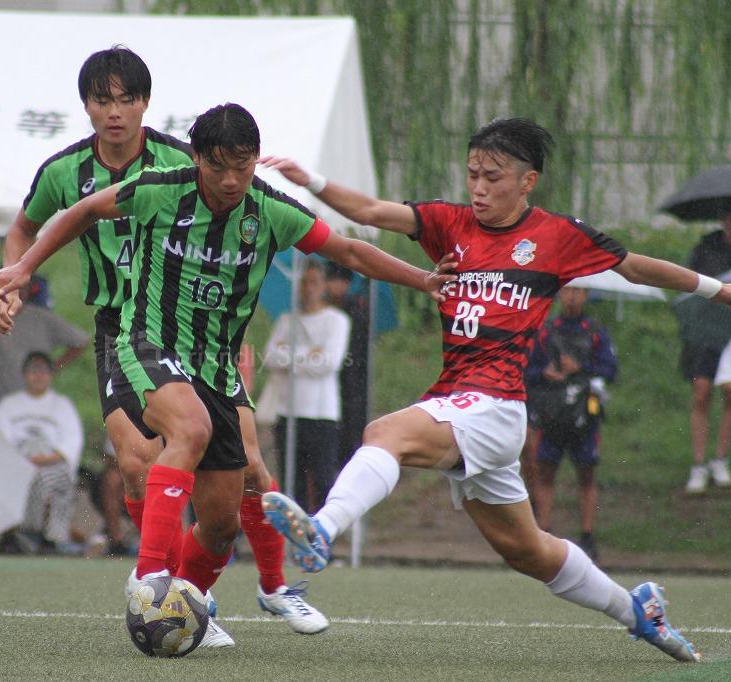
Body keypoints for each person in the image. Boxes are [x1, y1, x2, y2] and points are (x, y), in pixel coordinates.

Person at [0, 102, 453, 642]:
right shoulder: (160, 189)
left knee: (223, 522)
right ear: (197, 158)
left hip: (216, 365)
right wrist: (25, 266)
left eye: (242, 167)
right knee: (183, 433)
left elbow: (348, 251)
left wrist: (424, 280)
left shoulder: (270, 210)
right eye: (219, 167)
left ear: (255, 161)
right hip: (147, 343)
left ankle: (189, 604)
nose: (230, 181)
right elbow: (83, 211)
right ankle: (150, 577)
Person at [258, 117, 725, 663]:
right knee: (527, 552)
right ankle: (638, 611)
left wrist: (720, 291)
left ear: (528, 182)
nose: (478, 188)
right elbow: (369, 212)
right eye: (473, 175)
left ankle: (321, 529)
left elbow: (638, 269)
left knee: (385, 433)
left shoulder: (558, 235)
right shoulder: (450, 223)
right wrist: (311, 179)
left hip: (497, 405)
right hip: (459, 402)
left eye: (493, 178)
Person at [0, 48, 334, 642]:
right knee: (139, 463)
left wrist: (236, 346)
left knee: (250, 462)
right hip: (123, 329)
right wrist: (15, 283)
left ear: (146, 102)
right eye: (102, 100)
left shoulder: (184, 161)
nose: (115, 112)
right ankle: (164, 596)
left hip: (207, 334)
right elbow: (24, 228)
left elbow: (235, 253)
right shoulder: (64, 172)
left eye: (127, 99)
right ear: (86, 105)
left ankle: (267, 587)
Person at [525, 285, 617, 561]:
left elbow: (610, 370)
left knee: (586, 473)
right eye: (567, 290)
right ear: (559, 294)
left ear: (586, 294)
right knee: (545, 471)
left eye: (578, 291)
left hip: (584, 413)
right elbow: (526, 369)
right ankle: (543, 534)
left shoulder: (596, 332)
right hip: (551, 413)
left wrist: (581, 369)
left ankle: (587, 535)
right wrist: (545, 372)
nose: (572, 296)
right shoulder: (545, 330)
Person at [263, 258, 350, 512]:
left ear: (323, 285)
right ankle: (295, 534)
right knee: (292, 484)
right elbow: (269, 357)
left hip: (322, 414)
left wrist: (289, 355)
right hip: (288, 413)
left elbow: (329, 362)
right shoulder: (286, 320)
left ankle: (323, 532)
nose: (308, 288)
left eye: (313, 282)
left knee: (323, 481)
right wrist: (308, 353)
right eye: (304, 282)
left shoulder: (337, 320)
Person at [0, 351, 84, 554]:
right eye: (33, 370)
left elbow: (71, 444)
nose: (38, 376)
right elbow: (0, 441)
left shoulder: (62, 406)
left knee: (41, 479)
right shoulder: (9, 405)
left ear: (51, 374)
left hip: (53, 465)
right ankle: (21, 535)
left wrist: (43, 459)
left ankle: (45, 536)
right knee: (25, 477)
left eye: (43, 370)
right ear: (24, 374)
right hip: (17, 463)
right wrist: (25, 460)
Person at [0, 282, 88, 426]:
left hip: (36, 401)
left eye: (20, 288)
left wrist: (53, 368)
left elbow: (81, 341)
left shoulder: (43, 318)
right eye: (9, 288)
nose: (16, 293)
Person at [679, 213, 731, 493]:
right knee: (701, 393)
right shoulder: (705, 248)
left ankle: (719, 459)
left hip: (729, 334)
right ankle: (698, 464)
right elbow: (688, 285)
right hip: (704, 334)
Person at [323, 261, 371, 467]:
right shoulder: (321, 307)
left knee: (350, 435)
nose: (336, 286)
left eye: (340, 281)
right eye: (332, 280)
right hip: (328, 382)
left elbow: (358, 349)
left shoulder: (356, 309)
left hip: (352, 383)